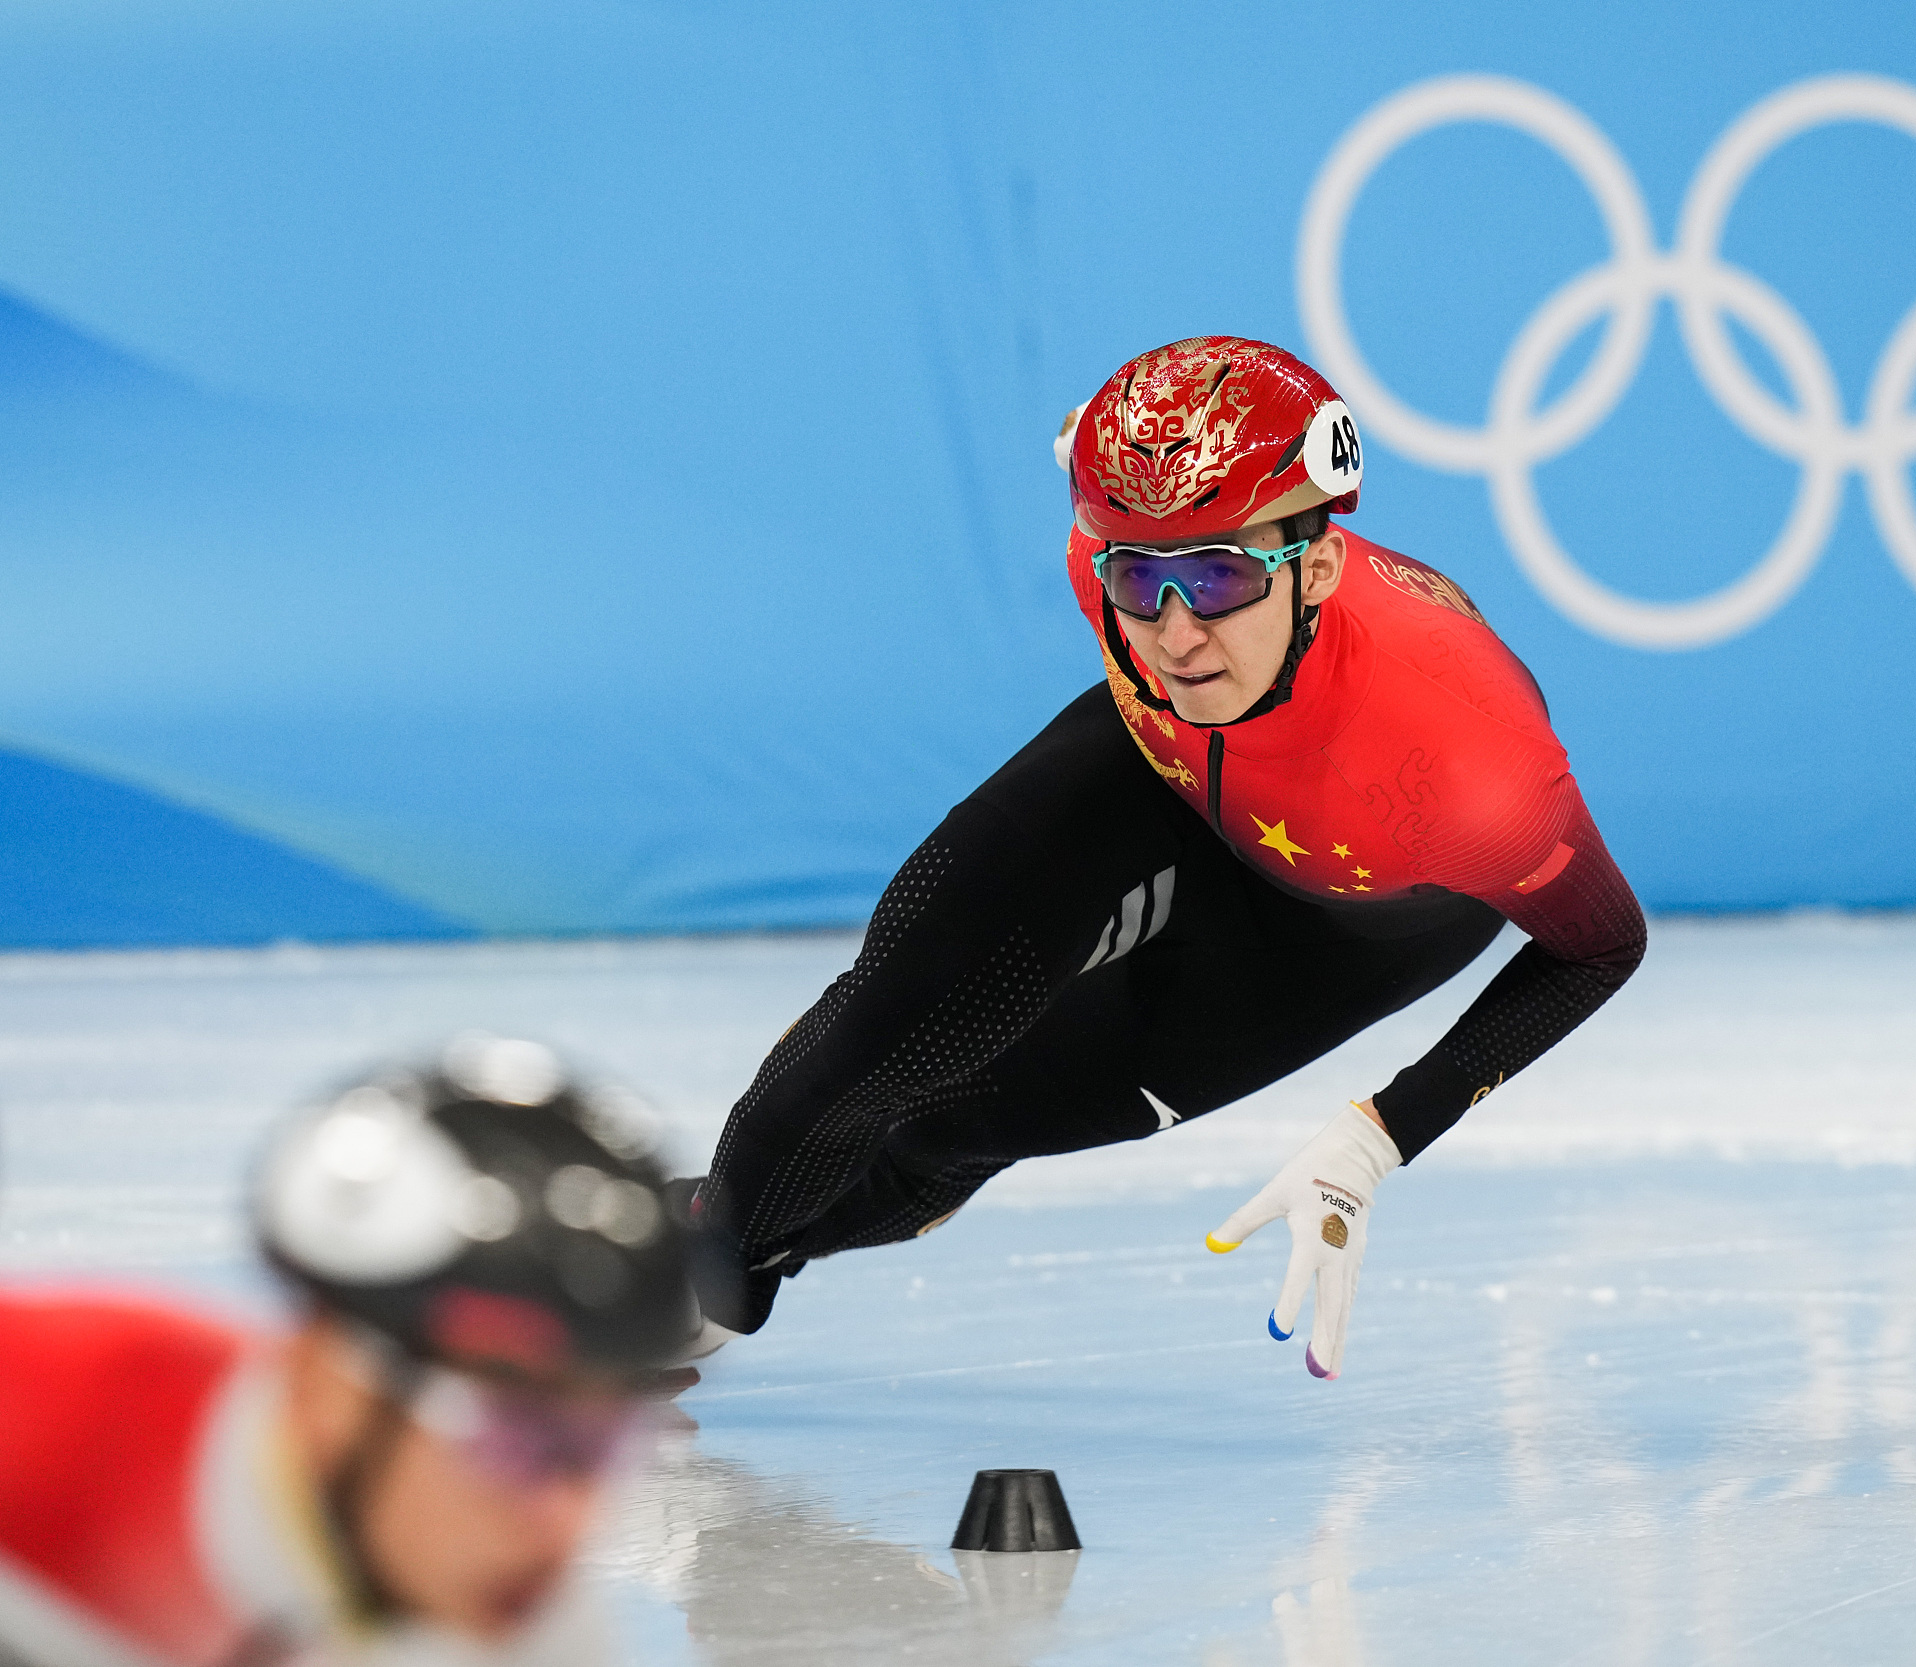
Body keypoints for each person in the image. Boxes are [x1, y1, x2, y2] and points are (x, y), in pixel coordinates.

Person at [686, 336, 1646, 1379]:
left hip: (1339, 928)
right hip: (1157, 778)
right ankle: (690, 1275)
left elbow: (1599, 947)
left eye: (1222, 575)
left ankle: (715, 1252)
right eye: (1140, 578)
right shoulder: (1112, 546)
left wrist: (1383, 1132)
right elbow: (1097, 466)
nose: (1176, 633)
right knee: (889, 1021)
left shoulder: (1471, 767)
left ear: (1316, 567)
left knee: (957, 1123)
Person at [0, 1036, 699, 1667]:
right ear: (328, 1382)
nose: (565, 1520)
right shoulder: (42, 1423)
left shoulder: (539, 1640)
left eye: (605, 1443)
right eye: (519, 1437)